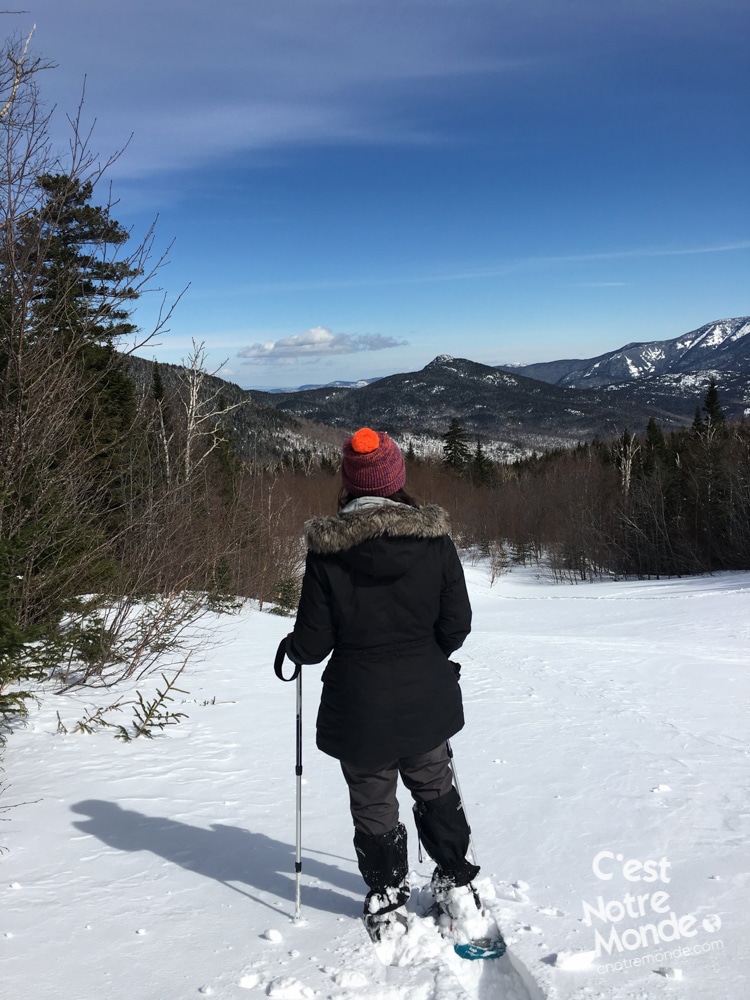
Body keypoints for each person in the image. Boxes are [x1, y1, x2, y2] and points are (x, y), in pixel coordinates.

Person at [285, 426, 480, 941]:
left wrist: (292, 648)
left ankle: (387, 896)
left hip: (359, 704)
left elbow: (314, 643)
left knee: (373, 800)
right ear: (396, 479)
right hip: (425, 697)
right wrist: (427, 659)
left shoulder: (327, 553)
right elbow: (455, 623)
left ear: (351, 483)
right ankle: (457, 880)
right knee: (435, 786)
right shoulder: (433, 541)